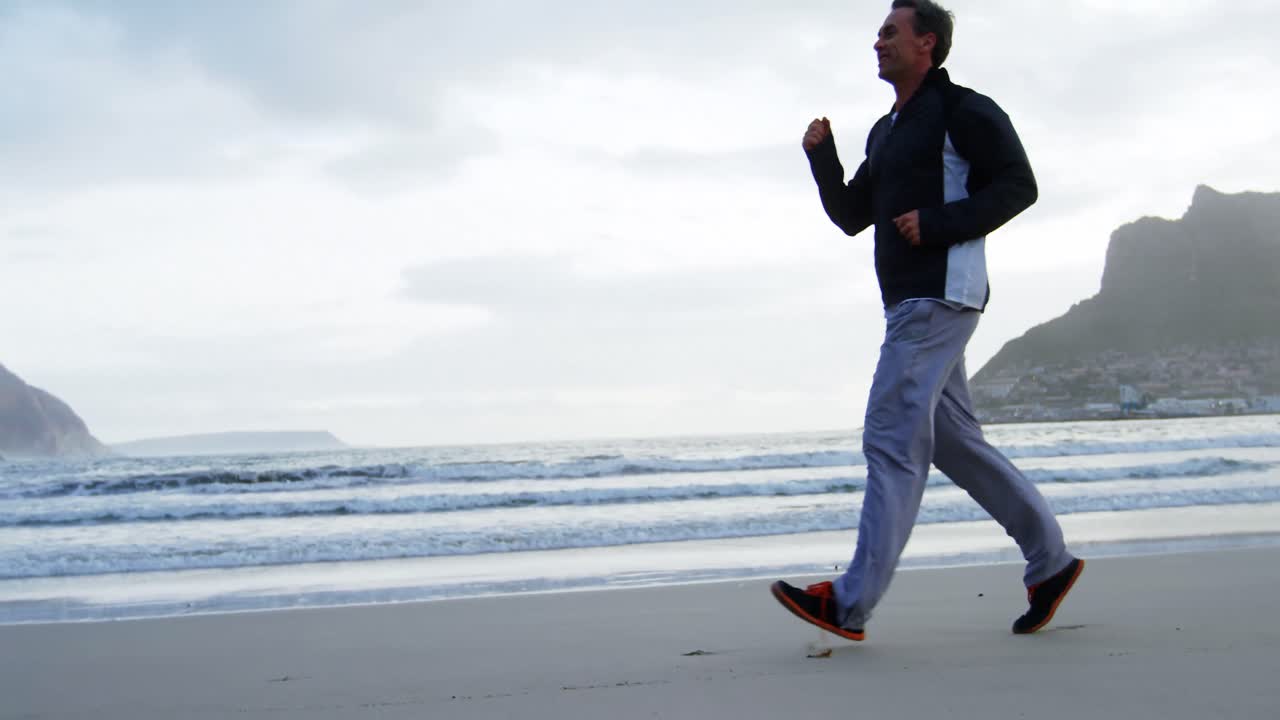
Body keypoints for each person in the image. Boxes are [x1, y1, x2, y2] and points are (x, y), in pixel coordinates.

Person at [770, 0, 1083, 640]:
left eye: (891, 32)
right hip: (910, 302)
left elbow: (1018, 185)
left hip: (940, 295)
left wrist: (939, 223)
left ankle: (849, 603)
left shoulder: (963, 110)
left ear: (927, 44)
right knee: (955, 443)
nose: (878, 42)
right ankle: (1050, 562)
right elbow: (852, 215)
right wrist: (823, 158)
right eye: (878, 33)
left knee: (890, 436)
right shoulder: (886, 131)